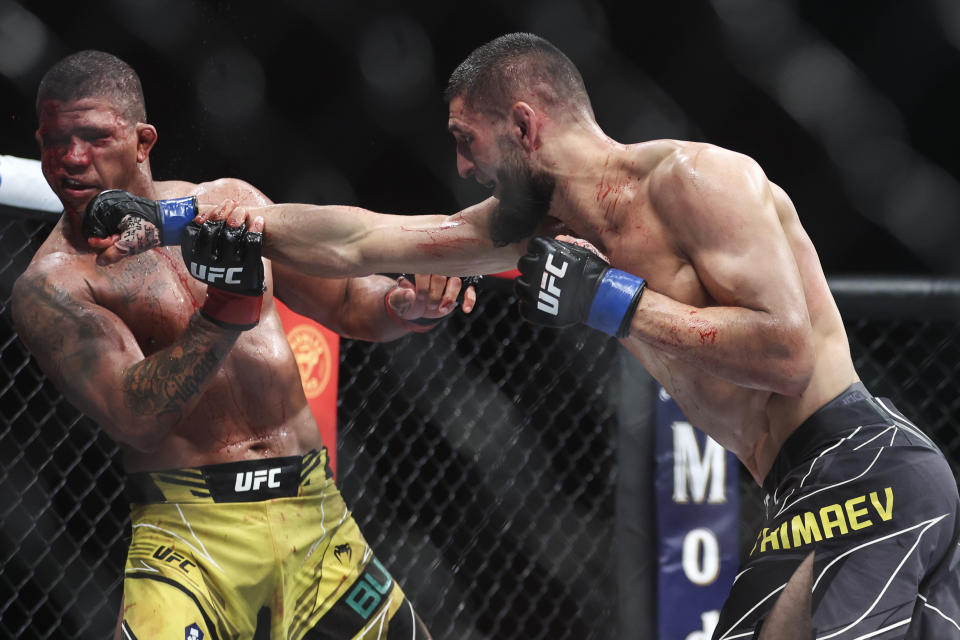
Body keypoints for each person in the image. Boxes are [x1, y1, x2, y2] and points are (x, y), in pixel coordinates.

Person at [84, 34, 960, 639]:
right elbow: (362, 238)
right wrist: (187, 218)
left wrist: (609, 301)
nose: (463, 166)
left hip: (863, 465)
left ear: (525, 125)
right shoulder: (527, 232)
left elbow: (789, 352)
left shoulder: (696, 179)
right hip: (795, 496)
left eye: (470, 142)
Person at [9, 50, 481, 640]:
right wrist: (225, 313)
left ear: (142, 142)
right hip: (191, 539)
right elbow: (134, 415)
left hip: (316, 518)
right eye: (56, 141)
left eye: (94, 137)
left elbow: (348, 305)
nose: (72, 159)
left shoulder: (230, 202)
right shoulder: (53, 285)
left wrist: (407, 306)